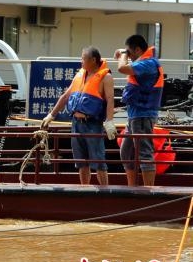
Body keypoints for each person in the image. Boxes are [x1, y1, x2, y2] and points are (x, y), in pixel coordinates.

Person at [41, 46, 116, 185]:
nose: (81, 61)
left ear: (93, 60)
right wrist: (51, 115)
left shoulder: (106, 77)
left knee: (99, 162)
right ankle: (84, 189)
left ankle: (105, 192)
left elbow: (110, 99)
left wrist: (109, 121)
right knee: (81, 162)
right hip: (76, 123)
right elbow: (65, 96)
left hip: (93, 124)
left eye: (83, 58)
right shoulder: (80, 74)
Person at [114, 35, 164, 186]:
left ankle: (150, 192)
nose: (128, 55)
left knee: (144, 153)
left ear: (137, 49)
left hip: (143, 115)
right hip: (134, 115)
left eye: (130, 52)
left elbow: (122, 68)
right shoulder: (142, 63)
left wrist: (123, 54)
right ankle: (131, 187)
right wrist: (124, 53)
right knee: (126, 152)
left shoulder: (148, 64)